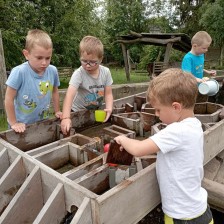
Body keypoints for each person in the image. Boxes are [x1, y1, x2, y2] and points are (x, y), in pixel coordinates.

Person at [114, 68, 214, 224]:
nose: (156, 114)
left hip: (181, 216)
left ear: (176, 107)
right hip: (200, 210)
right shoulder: (194, 125)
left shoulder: (176, 131)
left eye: (158, 109)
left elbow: (138, 149)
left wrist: (122, 139)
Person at [5, 29, 62, 133]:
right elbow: (8, 98)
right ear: (26, 54)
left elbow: (54, 91)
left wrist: (57, 110)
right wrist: (14, 123)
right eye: (39, 58)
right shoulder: (19, 72)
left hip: (43, 122)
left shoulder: (52, 71)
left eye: (48, 58)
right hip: (21, 125)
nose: (44, 63)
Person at [61, 36, 113, 135]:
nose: (87, 65)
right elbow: (69, 95)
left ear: (101, 59)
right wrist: (66, 117)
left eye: (93, 62)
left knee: (93, 132)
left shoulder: (105, 72)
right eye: (84, 61)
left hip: (95, 110)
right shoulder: (79, 73)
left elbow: (108, 94)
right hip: (77, 111)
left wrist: (109, 107)